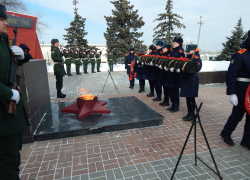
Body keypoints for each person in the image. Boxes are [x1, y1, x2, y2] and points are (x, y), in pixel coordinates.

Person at [0, 4, 31, 179]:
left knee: (12, 157)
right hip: (4, 115)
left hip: (9, 117)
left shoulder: (3, 42)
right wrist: (8, 93)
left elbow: (5, 67)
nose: (6, 23)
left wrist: (22, 57)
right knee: (6, 161)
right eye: (1, 19)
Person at [220, 30, 250, 150]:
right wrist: (232, 93)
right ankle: (226, 133)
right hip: (241, 89)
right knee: (237, 114)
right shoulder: (240, 55)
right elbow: (231, 75)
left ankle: (246, 140)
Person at [180, 44, 202, 121]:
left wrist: (184, 71)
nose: (188, 53)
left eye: (189, 51)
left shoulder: (196, 59)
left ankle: (192, 114)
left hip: (192, 80)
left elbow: (196, 69)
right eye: (187, 51)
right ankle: (189, 113)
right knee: (187, 98)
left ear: (194, 50)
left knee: (191, 98)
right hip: (186, 79)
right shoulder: (188, 57)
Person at [167, 37, 185, 113]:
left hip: (176, 75)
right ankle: (172, 105)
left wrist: (176, 69)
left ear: (179, 43)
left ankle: (176, 106)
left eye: (174, 43)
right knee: (170, 91)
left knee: (175, 91)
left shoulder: (180, 52)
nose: (173, 44)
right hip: (170, 74)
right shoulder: (172, 51)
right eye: (173, 42)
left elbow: (181, 63)